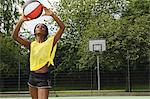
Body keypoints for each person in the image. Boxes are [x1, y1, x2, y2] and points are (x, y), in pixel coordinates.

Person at [11, 5, 65, 99]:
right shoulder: (31, 45)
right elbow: (14, 36)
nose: (40, 27)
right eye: (38, 26)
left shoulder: (50, 42)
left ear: (46, 32)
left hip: (43, 77)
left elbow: (62, 27)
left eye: (43, 27)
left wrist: (52, 15)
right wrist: (21, 20)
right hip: (32, 77)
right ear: (34, 31)